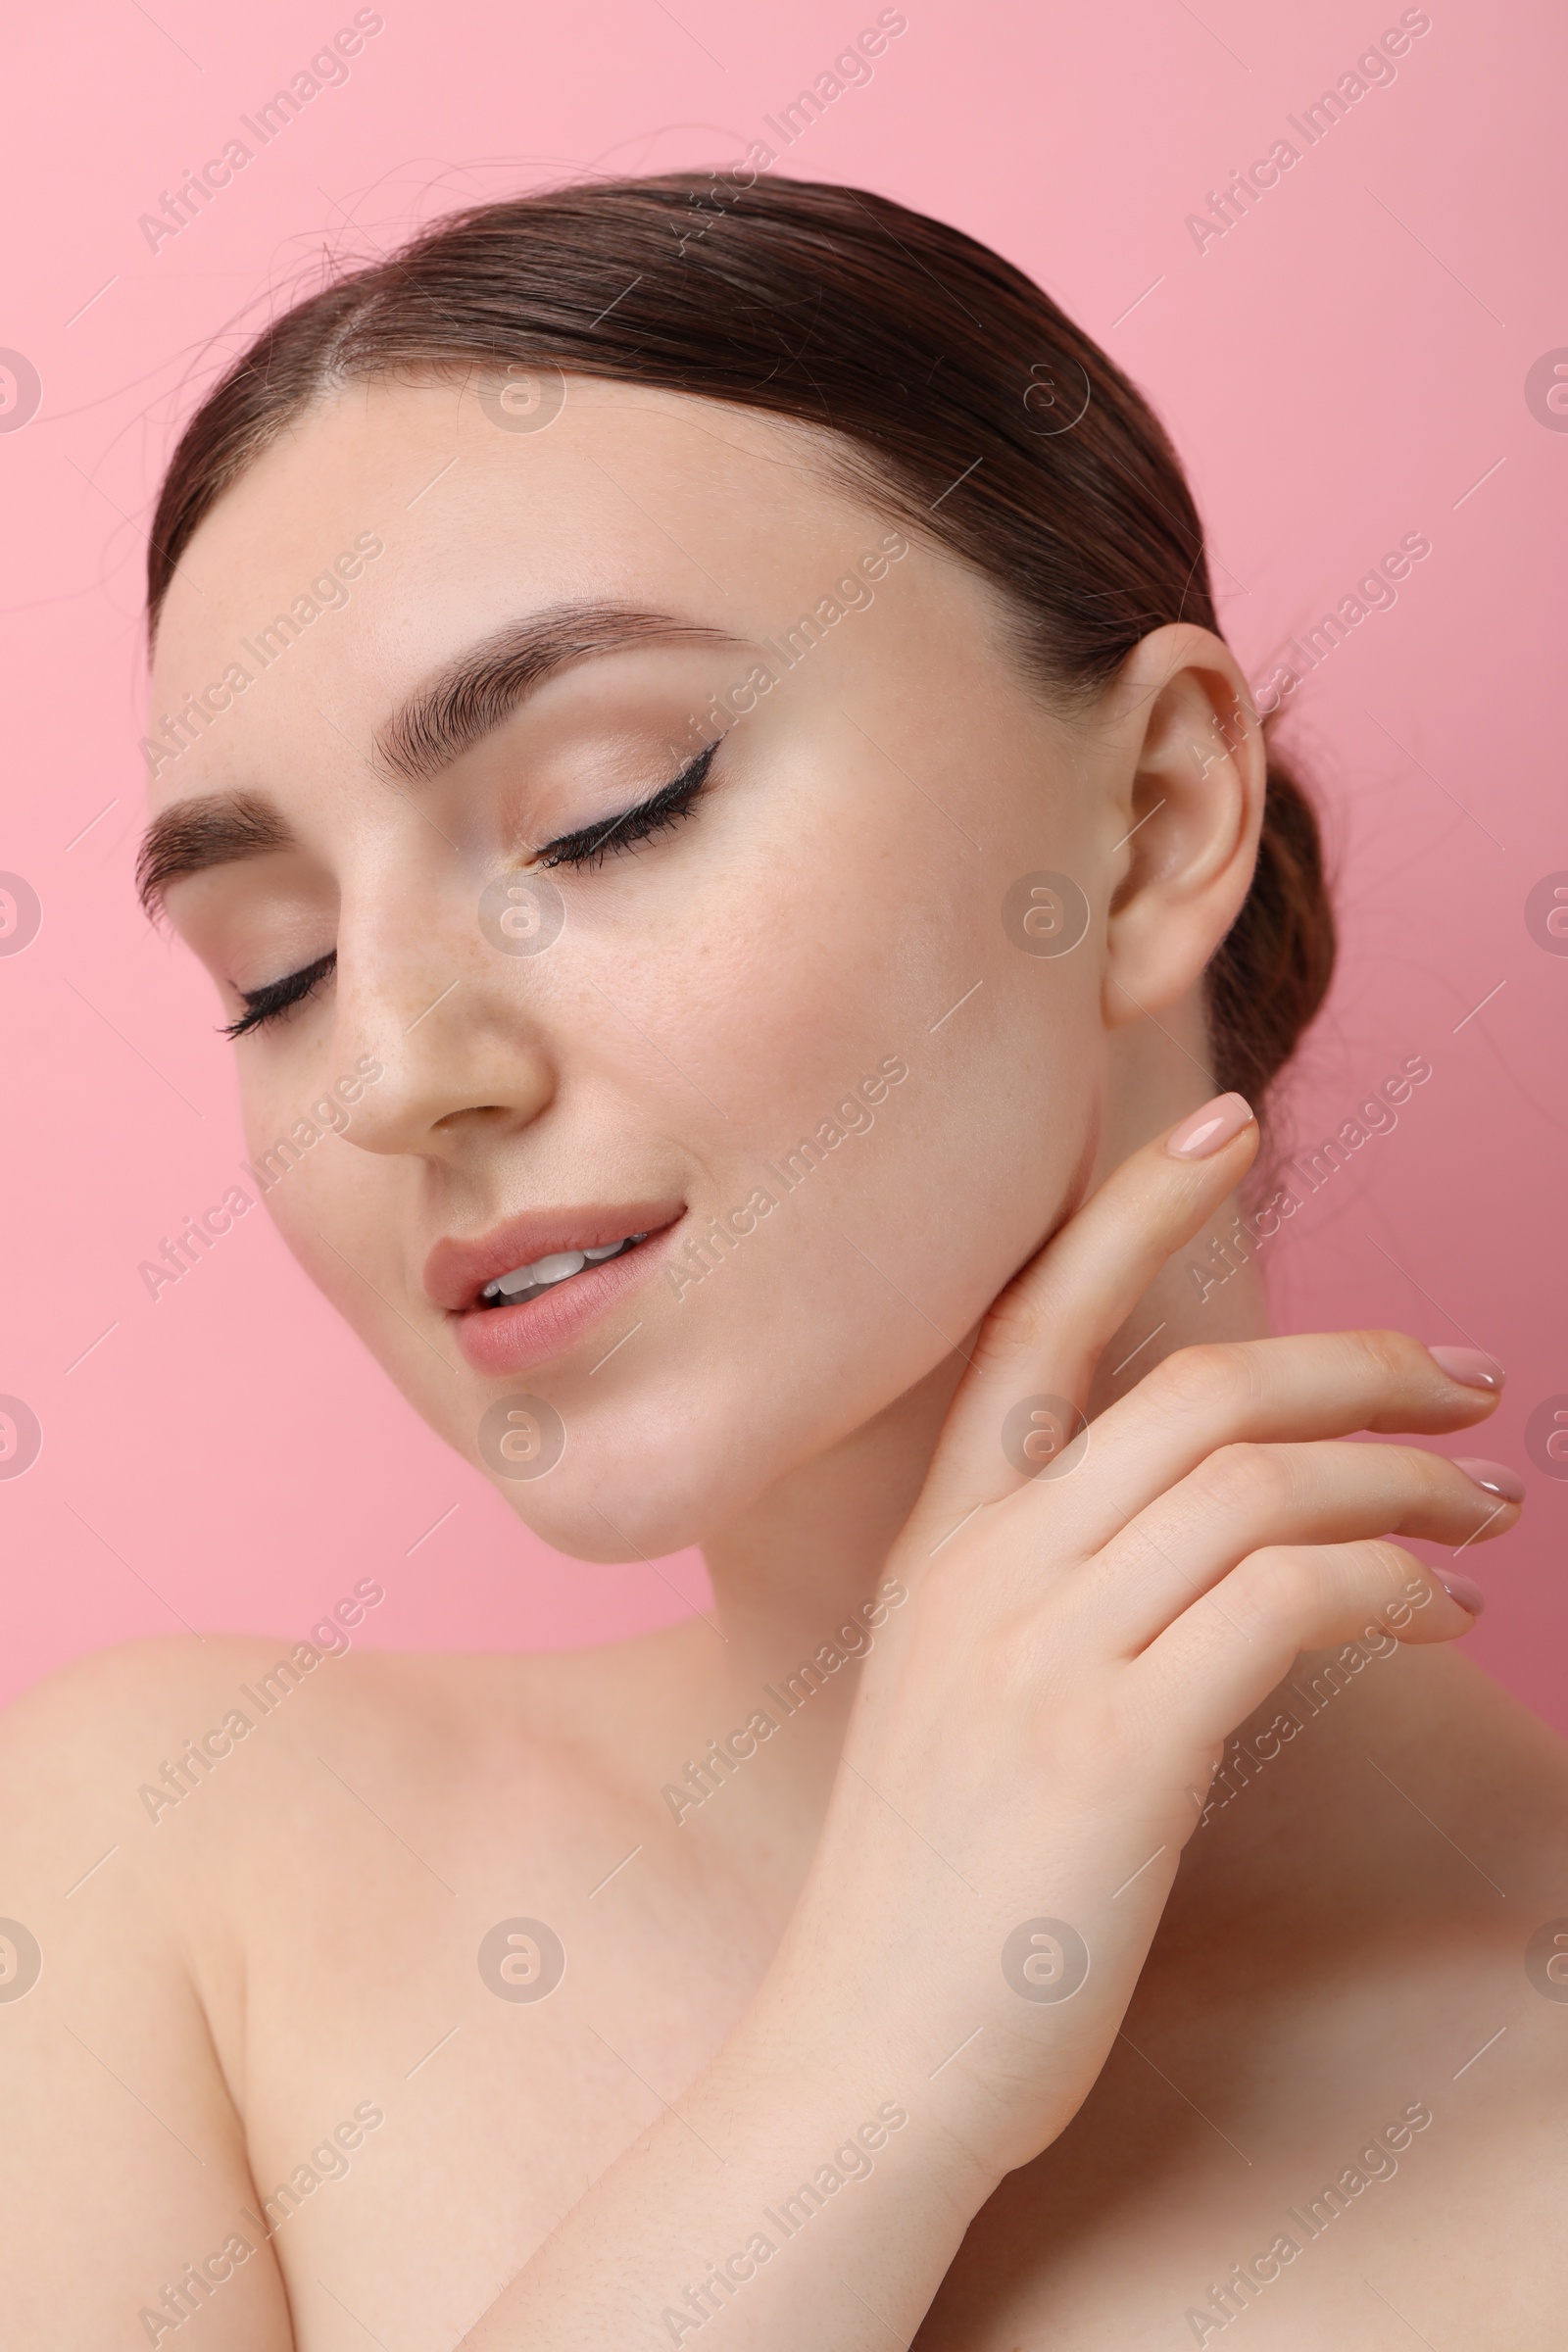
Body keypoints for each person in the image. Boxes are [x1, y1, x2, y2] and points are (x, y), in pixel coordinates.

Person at [0, 175, 1552, 2350]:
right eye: (273, 969)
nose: (387, 1075)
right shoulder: (150, 1887)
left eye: (602, 813)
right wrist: (871, 2068)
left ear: (1155, 820)